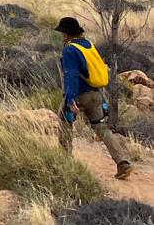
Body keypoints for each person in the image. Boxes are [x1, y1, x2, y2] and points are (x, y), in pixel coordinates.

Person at [55, 16, 133, 179]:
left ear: (66, 34)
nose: (62, 36)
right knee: (101, 128)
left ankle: (64, 162)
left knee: (64, 123)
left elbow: (71, 75)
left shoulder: (69, 49)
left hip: (79, 96)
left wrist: (70, 99)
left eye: (62, 33)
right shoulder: (88, 45)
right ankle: (122, 162)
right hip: (95, 94)